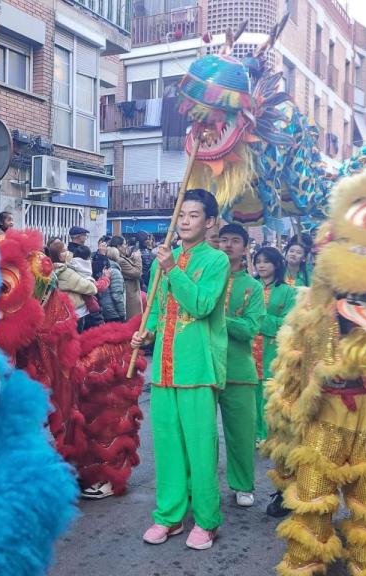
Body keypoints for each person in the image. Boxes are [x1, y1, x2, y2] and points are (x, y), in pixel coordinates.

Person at [130, 188, 229, 551]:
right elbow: (155, 309)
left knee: (201, 448)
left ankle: (206, 520)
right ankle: (170, 516)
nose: (185, 221)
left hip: (197, 368)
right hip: (163, 369)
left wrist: (172, 268)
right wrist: (145, 332)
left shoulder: (216, 260)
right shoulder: (161, 260)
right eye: (181, 214)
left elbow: (201, 305)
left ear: (210, 222)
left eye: (193, 215)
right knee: (168, 446)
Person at [216, 223, 266, 508]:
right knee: (202, 436)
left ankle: (243, 484)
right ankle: (200, 484)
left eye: (235, 240)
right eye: (223, 239)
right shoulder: (205, 279)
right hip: (205, 368)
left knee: (242, 435)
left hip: (239, 370)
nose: (228, 245)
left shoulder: (253, 287)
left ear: (245, 247)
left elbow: (249, 329)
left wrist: (216, 317)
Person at [251, 246, 297, 444]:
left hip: (272, 350)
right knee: (251, 393)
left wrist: (258, 319)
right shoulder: (250, 287)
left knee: (269, 393)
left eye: (266, 261)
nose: (261, 265)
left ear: (277, 264)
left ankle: (269, 435)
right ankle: (253, 433)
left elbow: (288, 323)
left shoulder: (288, 292)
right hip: (248, 348)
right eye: (258, 261)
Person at [52, 242, 98, 331]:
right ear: (59, 256)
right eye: (64, 251)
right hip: (77, 313)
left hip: (66, 312)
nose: (68, 253)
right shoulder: (66, 272)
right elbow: (92, 289)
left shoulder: (56, 269)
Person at [119, 234, 144, 320]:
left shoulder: (123, 258)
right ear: (118, 246)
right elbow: (137, 273)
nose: (126, 246)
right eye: (124, 244)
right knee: (133, 319)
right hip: (129, 291)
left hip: (131, 290)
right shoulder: (120, 260)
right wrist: (137, 258)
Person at [100, 247, 127, 323]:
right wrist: (122, 313)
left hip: (104, 308)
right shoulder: (115, 271)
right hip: (113, 311)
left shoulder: (103, 269)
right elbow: (117, 294)